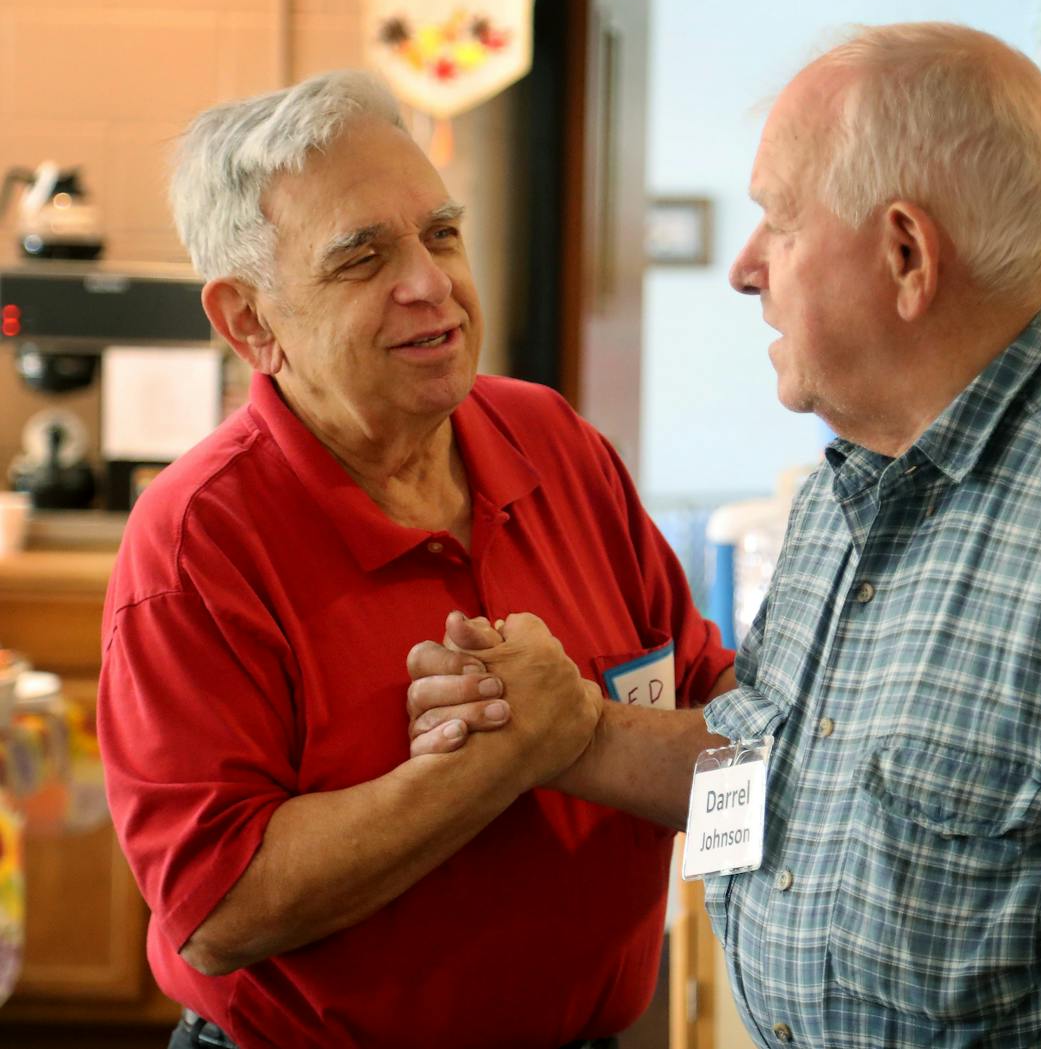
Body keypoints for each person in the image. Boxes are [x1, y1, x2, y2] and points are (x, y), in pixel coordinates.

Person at [408, 23, 1041, 1047]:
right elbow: (771, 771)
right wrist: (576, 734)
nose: (744, 267)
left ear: (906, 252)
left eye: (779, 221)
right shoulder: (850, 483)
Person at [97, 70, 735, 1049]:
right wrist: (487, 764)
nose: (432, 282)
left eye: (441, 234)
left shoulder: (555, 442)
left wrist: (582, 734)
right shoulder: (199, 542)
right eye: (362, 259)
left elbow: (732, 765)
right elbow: (214, 914)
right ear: (248, 323)